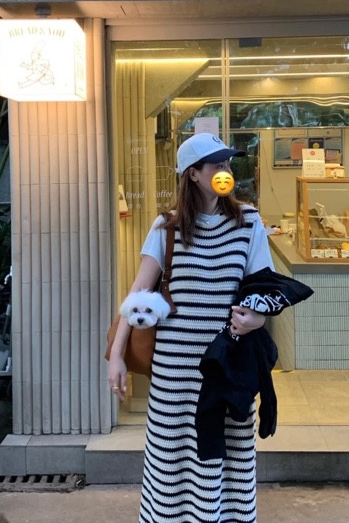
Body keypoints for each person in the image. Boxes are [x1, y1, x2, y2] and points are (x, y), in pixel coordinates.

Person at [108, 132, 276, 523]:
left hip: (228, 368)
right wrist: (116, 356)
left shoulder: (248, 222)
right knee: (173, 461)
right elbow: (137, 295)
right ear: (194, 174)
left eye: (227, 163)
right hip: (176, 374)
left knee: (228, 460)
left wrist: (257, 319)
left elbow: (265, 292)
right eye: (217, 165)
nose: (225, 171)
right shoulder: (166, 227)